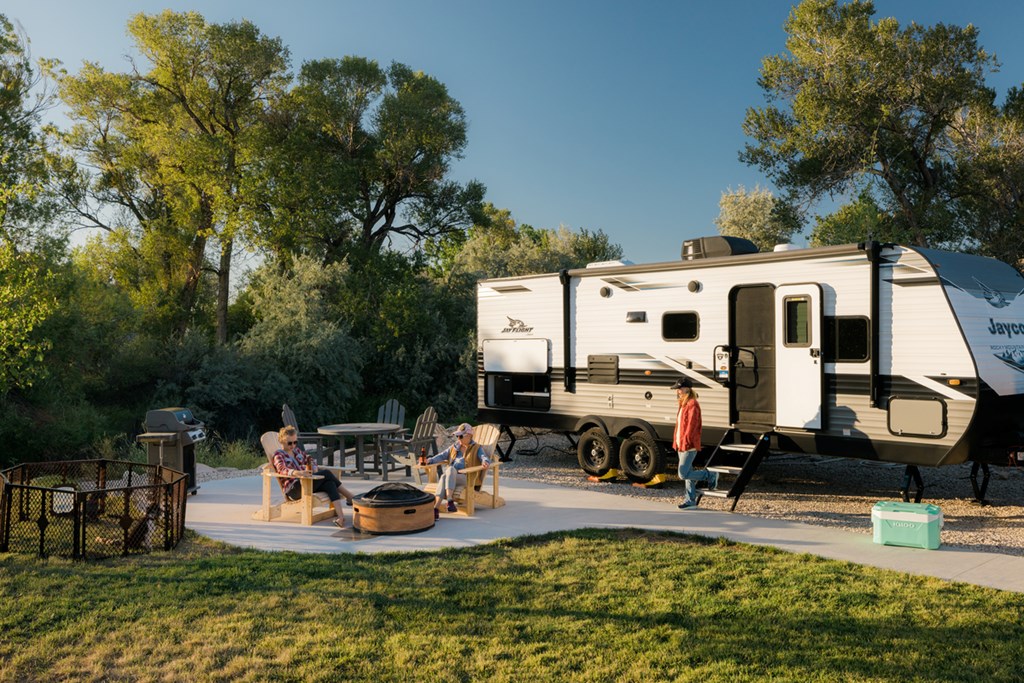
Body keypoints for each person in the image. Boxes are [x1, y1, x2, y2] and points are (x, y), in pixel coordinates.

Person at [273, 425, 354, 528]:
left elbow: (309, 459)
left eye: (295, 442)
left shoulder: (296, 451)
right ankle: (350, 496)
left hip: (306, 482)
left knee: (330, 484)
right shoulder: (279, 455)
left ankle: (341, 518)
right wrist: (297, 473)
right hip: (294, 488)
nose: (293, 445)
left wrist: (314, 467)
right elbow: (282, 469)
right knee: (327, 473)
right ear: (281, 441)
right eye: (290, 443)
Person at [424, 423, 490, 519]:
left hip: (468, 478)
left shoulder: (477, 448)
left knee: (449, 470)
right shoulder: (455, 447)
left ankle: (448, 501)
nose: (458, 438)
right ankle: (437, 509)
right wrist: (430, 460)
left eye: (460, 436)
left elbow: (484, 457)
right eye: (457, 436)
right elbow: (442, 455)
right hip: (451, 478)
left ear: (469, 435)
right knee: (444, 476)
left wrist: (485, 462)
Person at [672, 377, 717, 509]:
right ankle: (690, 500)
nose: (678, 391)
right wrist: (677, 441)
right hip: (681, 443)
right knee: (688, 473)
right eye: (677, 389)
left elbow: (692, 426)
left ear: (686, 388)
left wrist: (685, 441)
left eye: (679, 388)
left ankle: (710, 475)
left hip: (689, 444)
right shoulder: (683, 404)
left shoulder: (693, 404)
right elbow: (679, 425)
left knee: (683, 473)